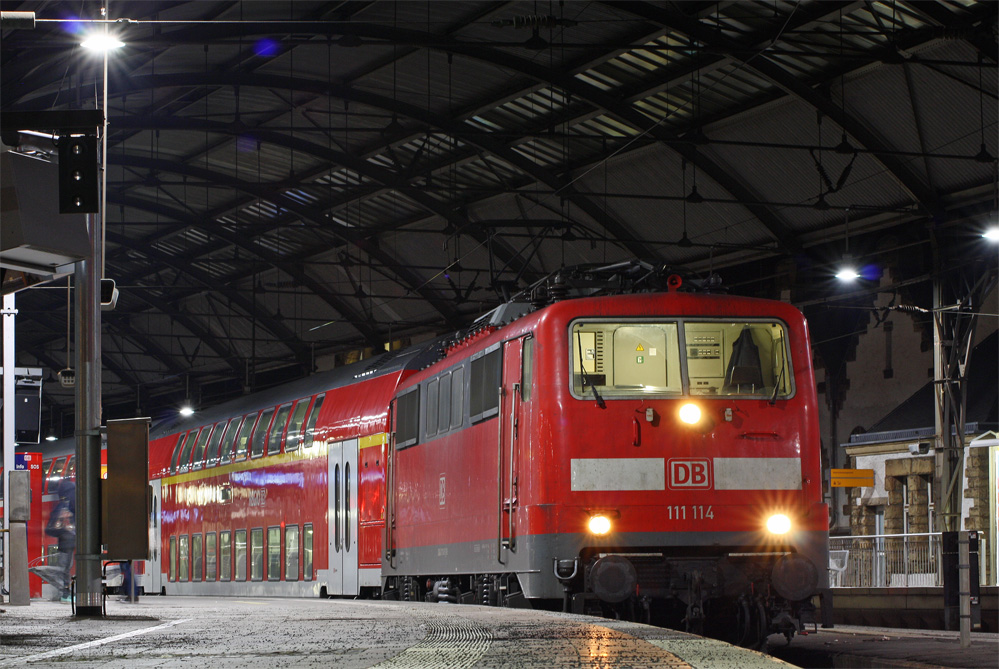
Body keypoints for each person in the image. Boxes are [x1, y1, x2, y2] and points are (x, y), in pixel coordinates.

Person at [48, 477, 76, 603]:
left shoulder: (61, 506)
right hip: (78, 542)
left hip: (65, 543)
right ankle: (69, 592)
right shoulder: (79, 504)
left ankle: (64, 592)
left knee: (63, 568)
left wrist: (62, 532)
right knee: (69, 567)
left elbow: (50, 528)